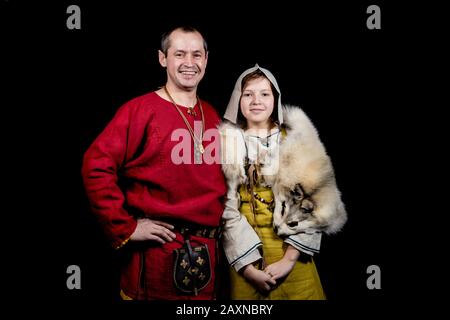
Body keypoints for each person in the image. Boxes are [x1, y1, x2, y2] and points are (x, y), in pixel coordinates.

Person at [81, 26, 227, 300]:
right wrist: (125, 227)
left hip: (210, 258)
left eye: (197, 55)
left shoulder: (213, 114)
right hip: (158, 258)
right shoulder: (139, 110)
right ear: (163, 58)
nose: (189, 63)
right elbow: (96, 165)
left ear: (206, 60)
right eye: (179, 54)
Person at [219, 64, 347, 299]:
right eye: (248, 94)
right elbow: (226, 209)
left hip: (291, 255)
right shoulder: (227, 146)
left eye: (264, 94)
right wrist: (248, 268)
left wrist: (288, 260)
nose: (256, 100)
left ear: (275, 99)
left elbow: (314, 200)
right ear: (238, 99)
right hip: (245, 259)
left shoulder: (295, 141)